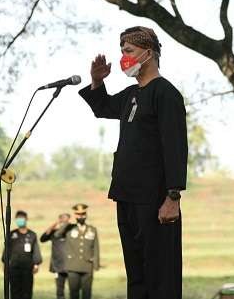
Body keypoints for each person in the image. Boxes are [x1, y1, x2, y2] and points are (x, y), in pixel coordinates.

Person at [78, 26, 188, 299]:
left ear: (148, 53)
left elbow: (176, 147)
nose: (123, 57)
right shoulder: (130, 94)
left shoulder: (165, 94)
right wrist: (96, 81)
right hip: (126, 195)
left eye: (129, 51)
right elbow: (102, 108)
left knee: (159, 273)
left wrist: (172, 195)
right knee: (136, 272)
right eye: (122, 51)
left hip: (155, 199)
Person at [54, 204, 99, 299]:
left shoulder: (92, 230)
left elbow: (96, 247)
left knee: (87, 294)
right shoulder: (69, 229)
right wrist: (66, 224)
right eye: (78, 214)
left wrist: (96, 264)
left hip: (87, 266)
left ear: (86, 215)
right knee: (73, 293)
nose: (81, 216)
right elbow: (57, 235)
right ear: (75, 215)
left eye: (83, 214)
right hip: (73, 267)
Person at [3, 210, 42, 299]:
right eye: (18, 218)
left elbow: (36, 250)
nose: (20, 220)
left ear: (26, 219)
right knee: (14, 292)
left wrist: (36, 264)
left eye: (22, 218)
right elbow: (6, 251)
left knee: (27, 292)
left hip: (28, 269)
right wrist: (5, 264)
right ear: (15, 219)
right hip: (14, 268)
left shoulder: (32, 235)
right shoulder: (11, 234)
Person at [40, 213, 71, 299]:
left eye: (67, 220)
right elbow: (42, 238)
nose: (65, 223)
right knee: (60, 291)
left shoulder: (71, 233)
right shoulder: (53, 233)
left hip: (71, 265)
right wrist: (55, 224)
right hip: (58, 266)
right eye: (63, 220)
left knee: (74, 290)